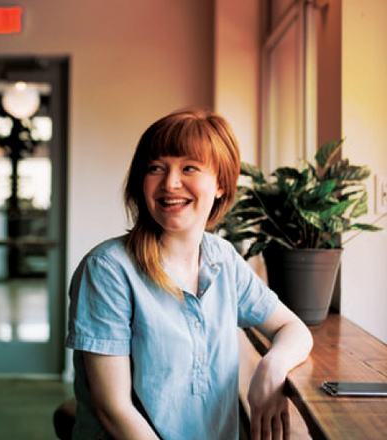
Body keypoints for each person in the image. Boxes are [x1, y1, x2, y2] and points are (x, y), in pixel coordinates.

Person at [66, 108, 313, 440]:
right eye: (155, 168)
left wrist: (272, 366)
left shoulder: (223, 258)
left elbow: (292, 328)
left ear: (221, 185)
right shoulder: (107, 269)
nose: (170, 183)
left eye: (189, 168)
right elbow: (114, 410)